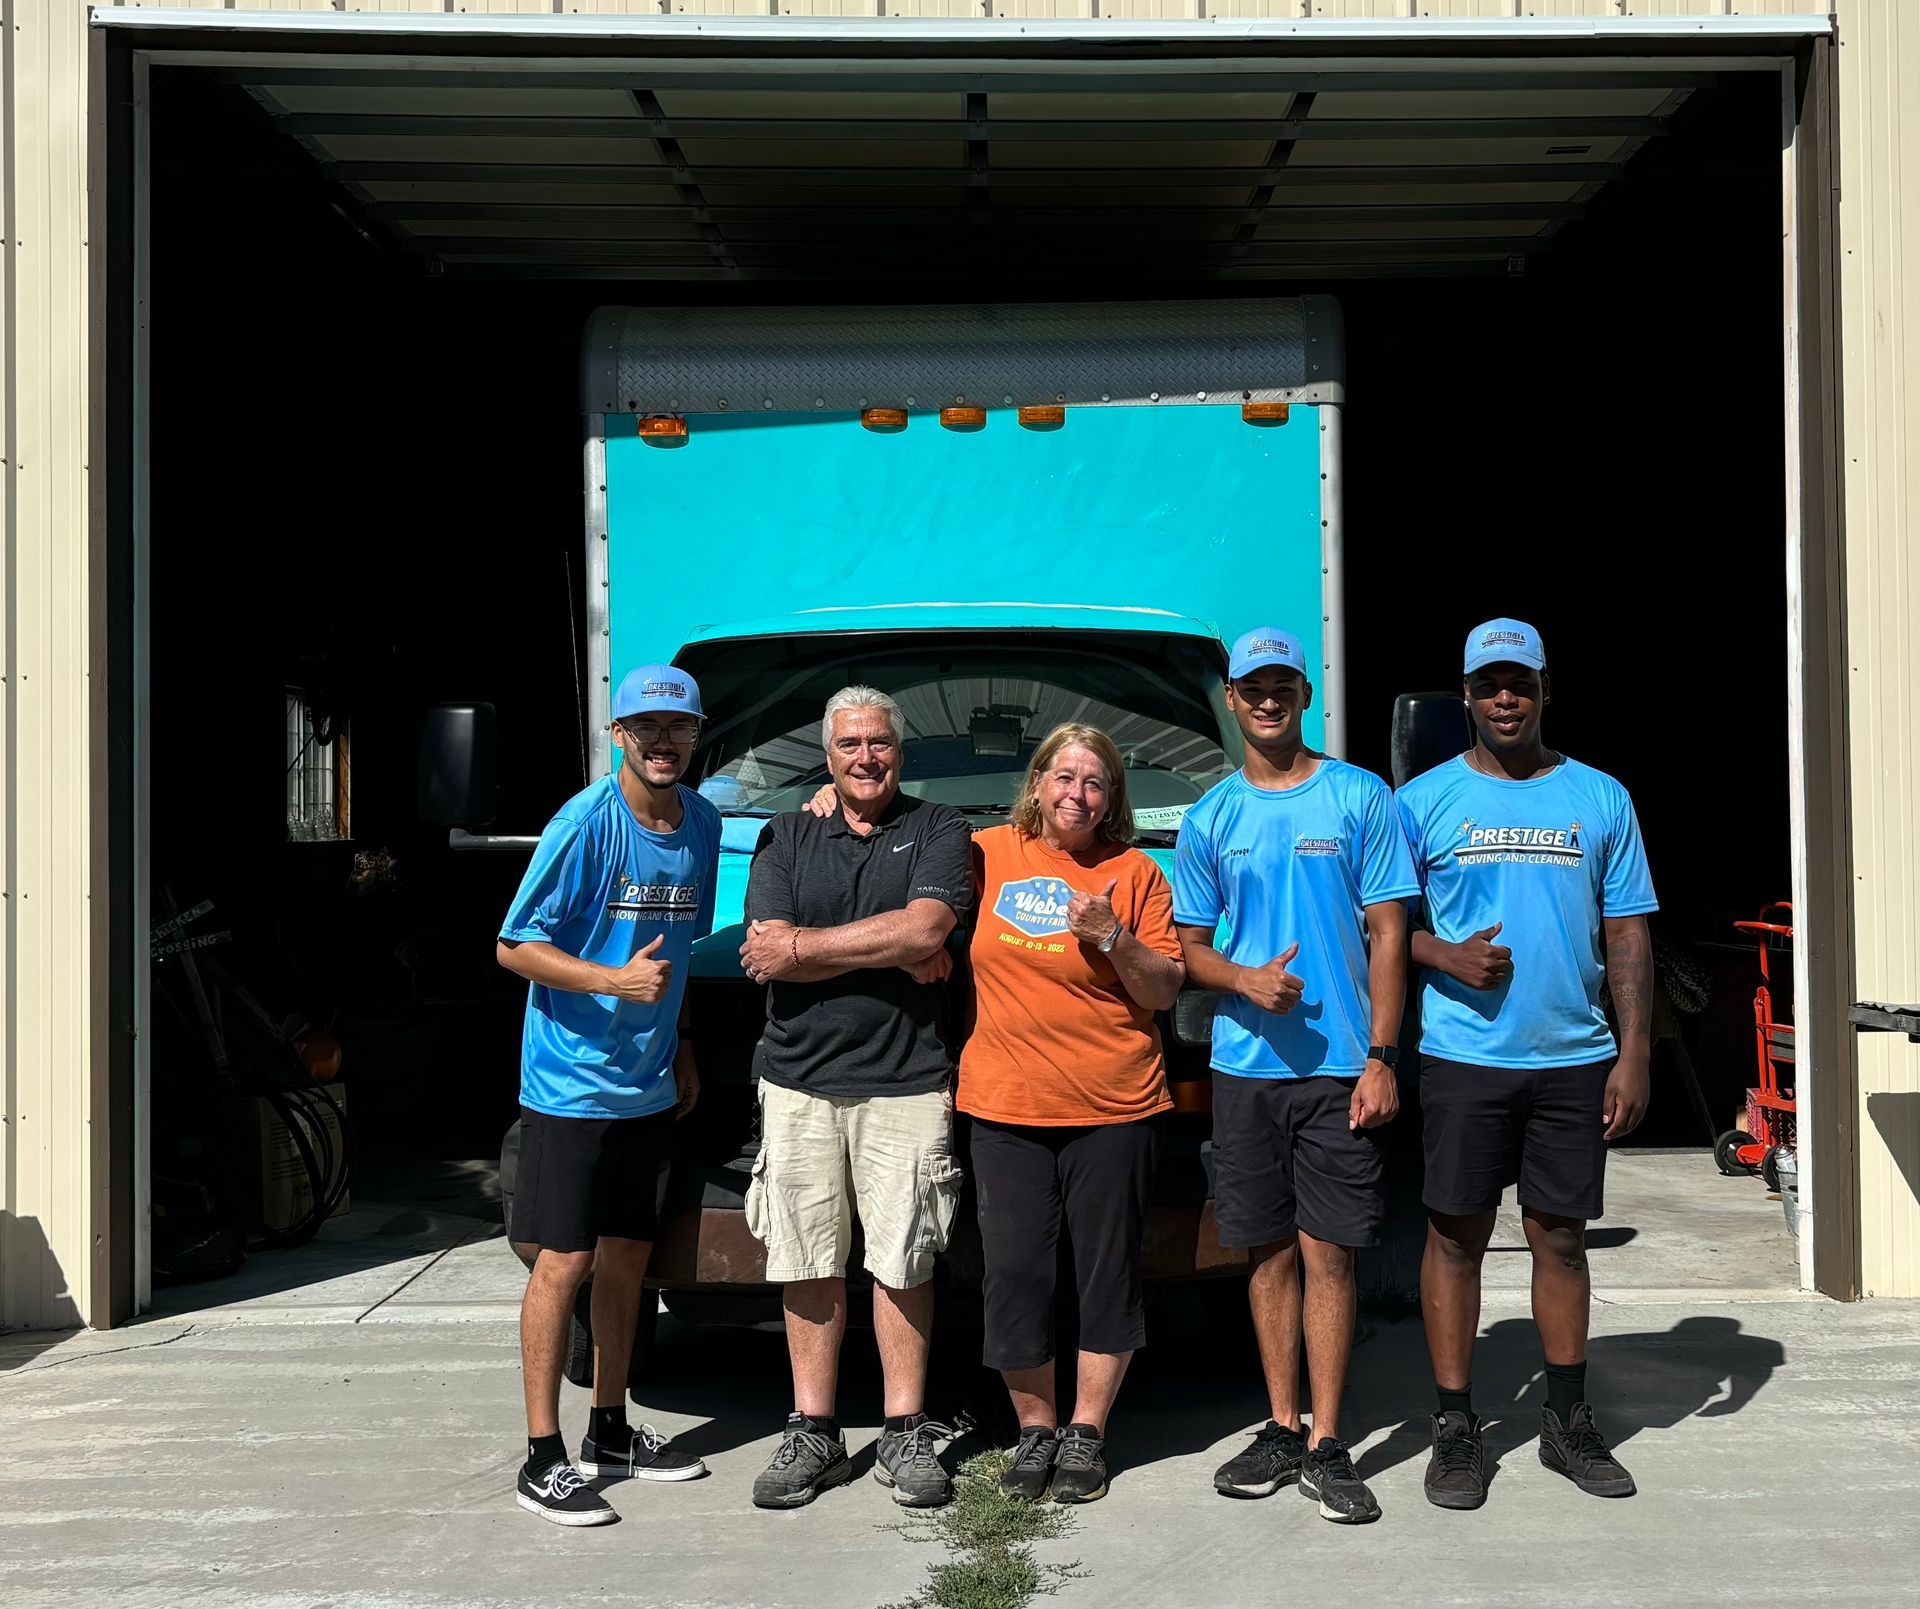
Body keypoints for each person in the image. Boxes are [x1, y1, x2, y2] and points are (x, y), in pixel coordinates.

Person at [1395, 618, 1656, 1510]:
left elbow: (1627, 932)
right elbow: (1379, 926)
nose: (1504, 698)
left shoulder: (1601, 797)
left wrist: (1634, 1052)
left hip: (1574, 1057)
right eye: (1488, 684)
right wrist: (1445, 956)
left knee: (1561, 1237)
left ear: (1547, 689)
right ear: (1464, 695)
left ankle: (1566, 1421)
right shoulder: (1421, 801)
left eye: (1520, 682)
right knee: (1455, 1235)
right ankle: (1456, 1427)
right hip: (1463, 1055)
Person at [1173, 627, 1417, 1525]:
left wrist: (1384, 1057)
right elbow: (1190, 951)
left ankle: (1328, 1440)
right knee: (1268, 1253)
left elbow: (1390, 932)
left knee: (1331, 1254)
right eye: (1252, 687)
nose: (1269, 700)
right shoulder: (1209, 817)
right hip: (1243, 1069)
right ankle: (1280, 1425)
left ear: (1302, 694)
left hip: (1340, 1068)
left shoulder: (1360, 797)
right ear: (1231, 700)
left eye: (1283, 685)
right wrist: (1246, 980)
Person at [738, 686, 973, 1511]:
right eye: (849, 744)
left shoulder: (940, 828)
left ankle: (905, 1428)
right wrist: (891, 946)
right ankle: (814, 1428)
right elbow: (764, 954)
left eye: (879, 742)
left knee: (905, 1255)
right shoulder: (787, 833)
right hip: (798, 1079)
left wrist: (812, 944)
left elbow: (924, 931)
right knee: (804, 1256)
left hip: (907, 1077)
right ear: (827, 756)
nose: (865, 756)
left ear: (900, 752)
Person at [496, 664, 718, 1527]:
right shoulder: (586, 823)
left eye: (680, 729)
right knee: (565, 1263)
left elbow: (678, 949)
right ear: (619, 736)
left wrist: (686, 1043)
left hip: (648, 1087)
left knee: (629, 1259)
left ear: (697, 735)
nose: (664, 744)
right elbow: (515, 944)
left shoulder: (701, 821)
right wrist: (609, 982)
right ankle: (542, 1454)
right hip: (571, 1086)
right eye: (646, 729)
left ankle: (612, 1430)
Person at [959, 724, 1186, 1505]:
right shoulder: (986, 851)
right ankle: (1034, 1428)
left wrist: (1114, 936)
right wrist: (824, 797)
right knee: (1015, 1272)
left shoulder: (1138, 874)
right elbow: (905, 832)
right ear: (1037, 783)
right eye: (1064, 776)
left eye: (1095, 782)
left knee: (1106, 1272)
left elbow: (1163, 988)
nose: (1077, 793)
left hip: (1116, 1103)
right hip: (1006, 1101)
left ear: (1112, 798)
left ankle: (1086, 1433)